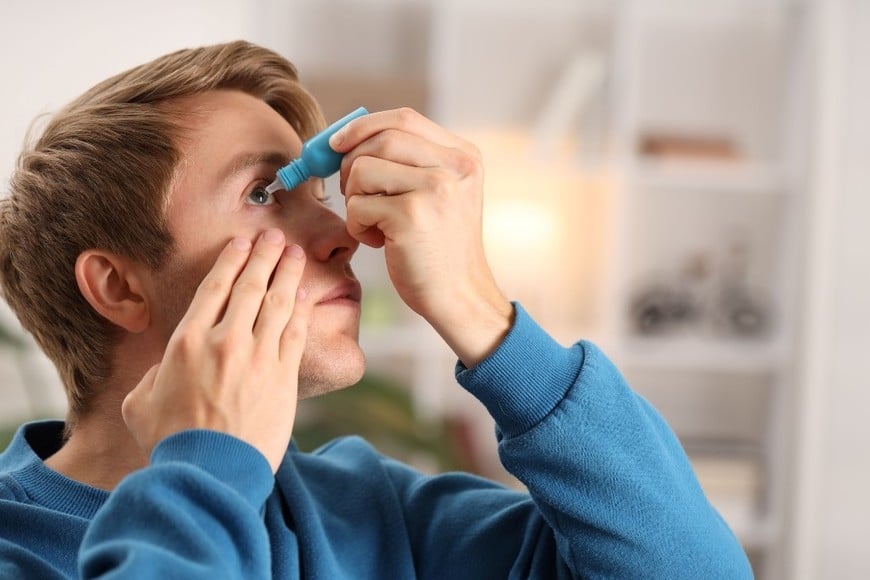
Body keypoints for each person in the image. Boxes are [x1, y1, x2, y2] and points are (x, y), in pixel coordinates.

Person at [0, 40, 752, 579]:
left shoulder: (375, 513)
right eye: (263, 194)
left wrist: (478, 309)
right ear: (119, 287)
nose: (341, 235)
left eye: (318, 195)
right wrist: (207, 469)